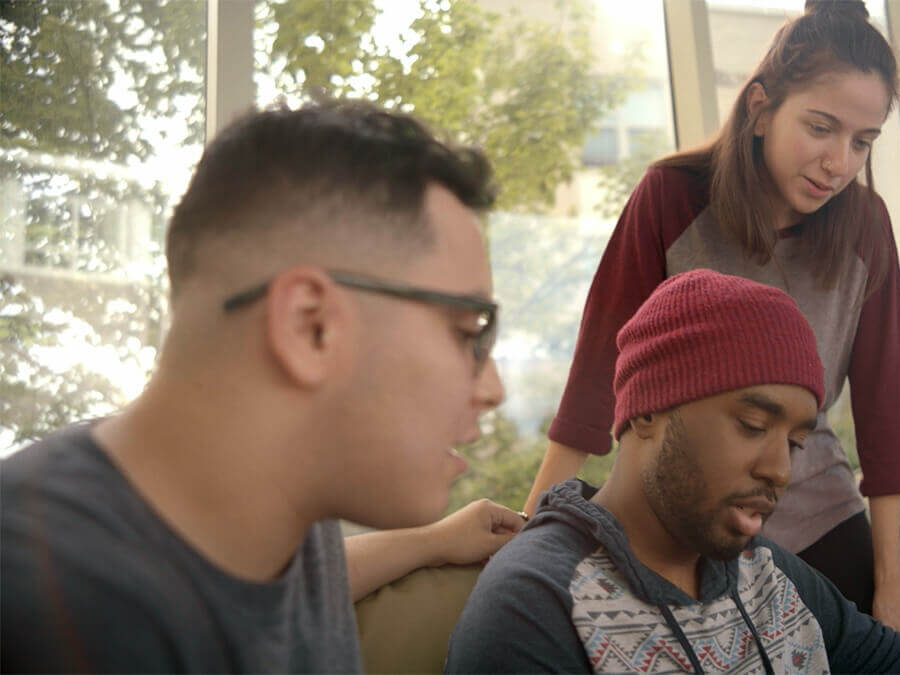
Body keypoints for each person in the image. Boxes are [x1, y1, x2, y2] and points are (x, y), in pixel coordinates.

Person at [1, 101, 525, 672]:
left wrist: (433, 542)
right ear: (310, 327)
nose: (491, 387)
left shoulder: (285, 514)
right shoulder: (51, 608)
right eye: (467, 331)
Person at [522, 0, 900, 644]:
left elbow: (885, 406)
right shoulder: (671, 196)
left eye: (862, 141)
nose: (839, 163)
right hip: (680, 524)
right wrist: (531, 534)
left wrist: (892, 587)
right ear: (761, 107)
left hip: (818, 515)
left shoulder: (867, 226)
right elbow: (598, 374)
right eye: (821, 128)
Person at [449, 270, 900, 674]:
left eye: (794, 441)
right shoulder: (538, 604)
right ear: (647, 411)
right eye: (751, 425)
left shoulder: (764, 571)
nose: (779, 470)